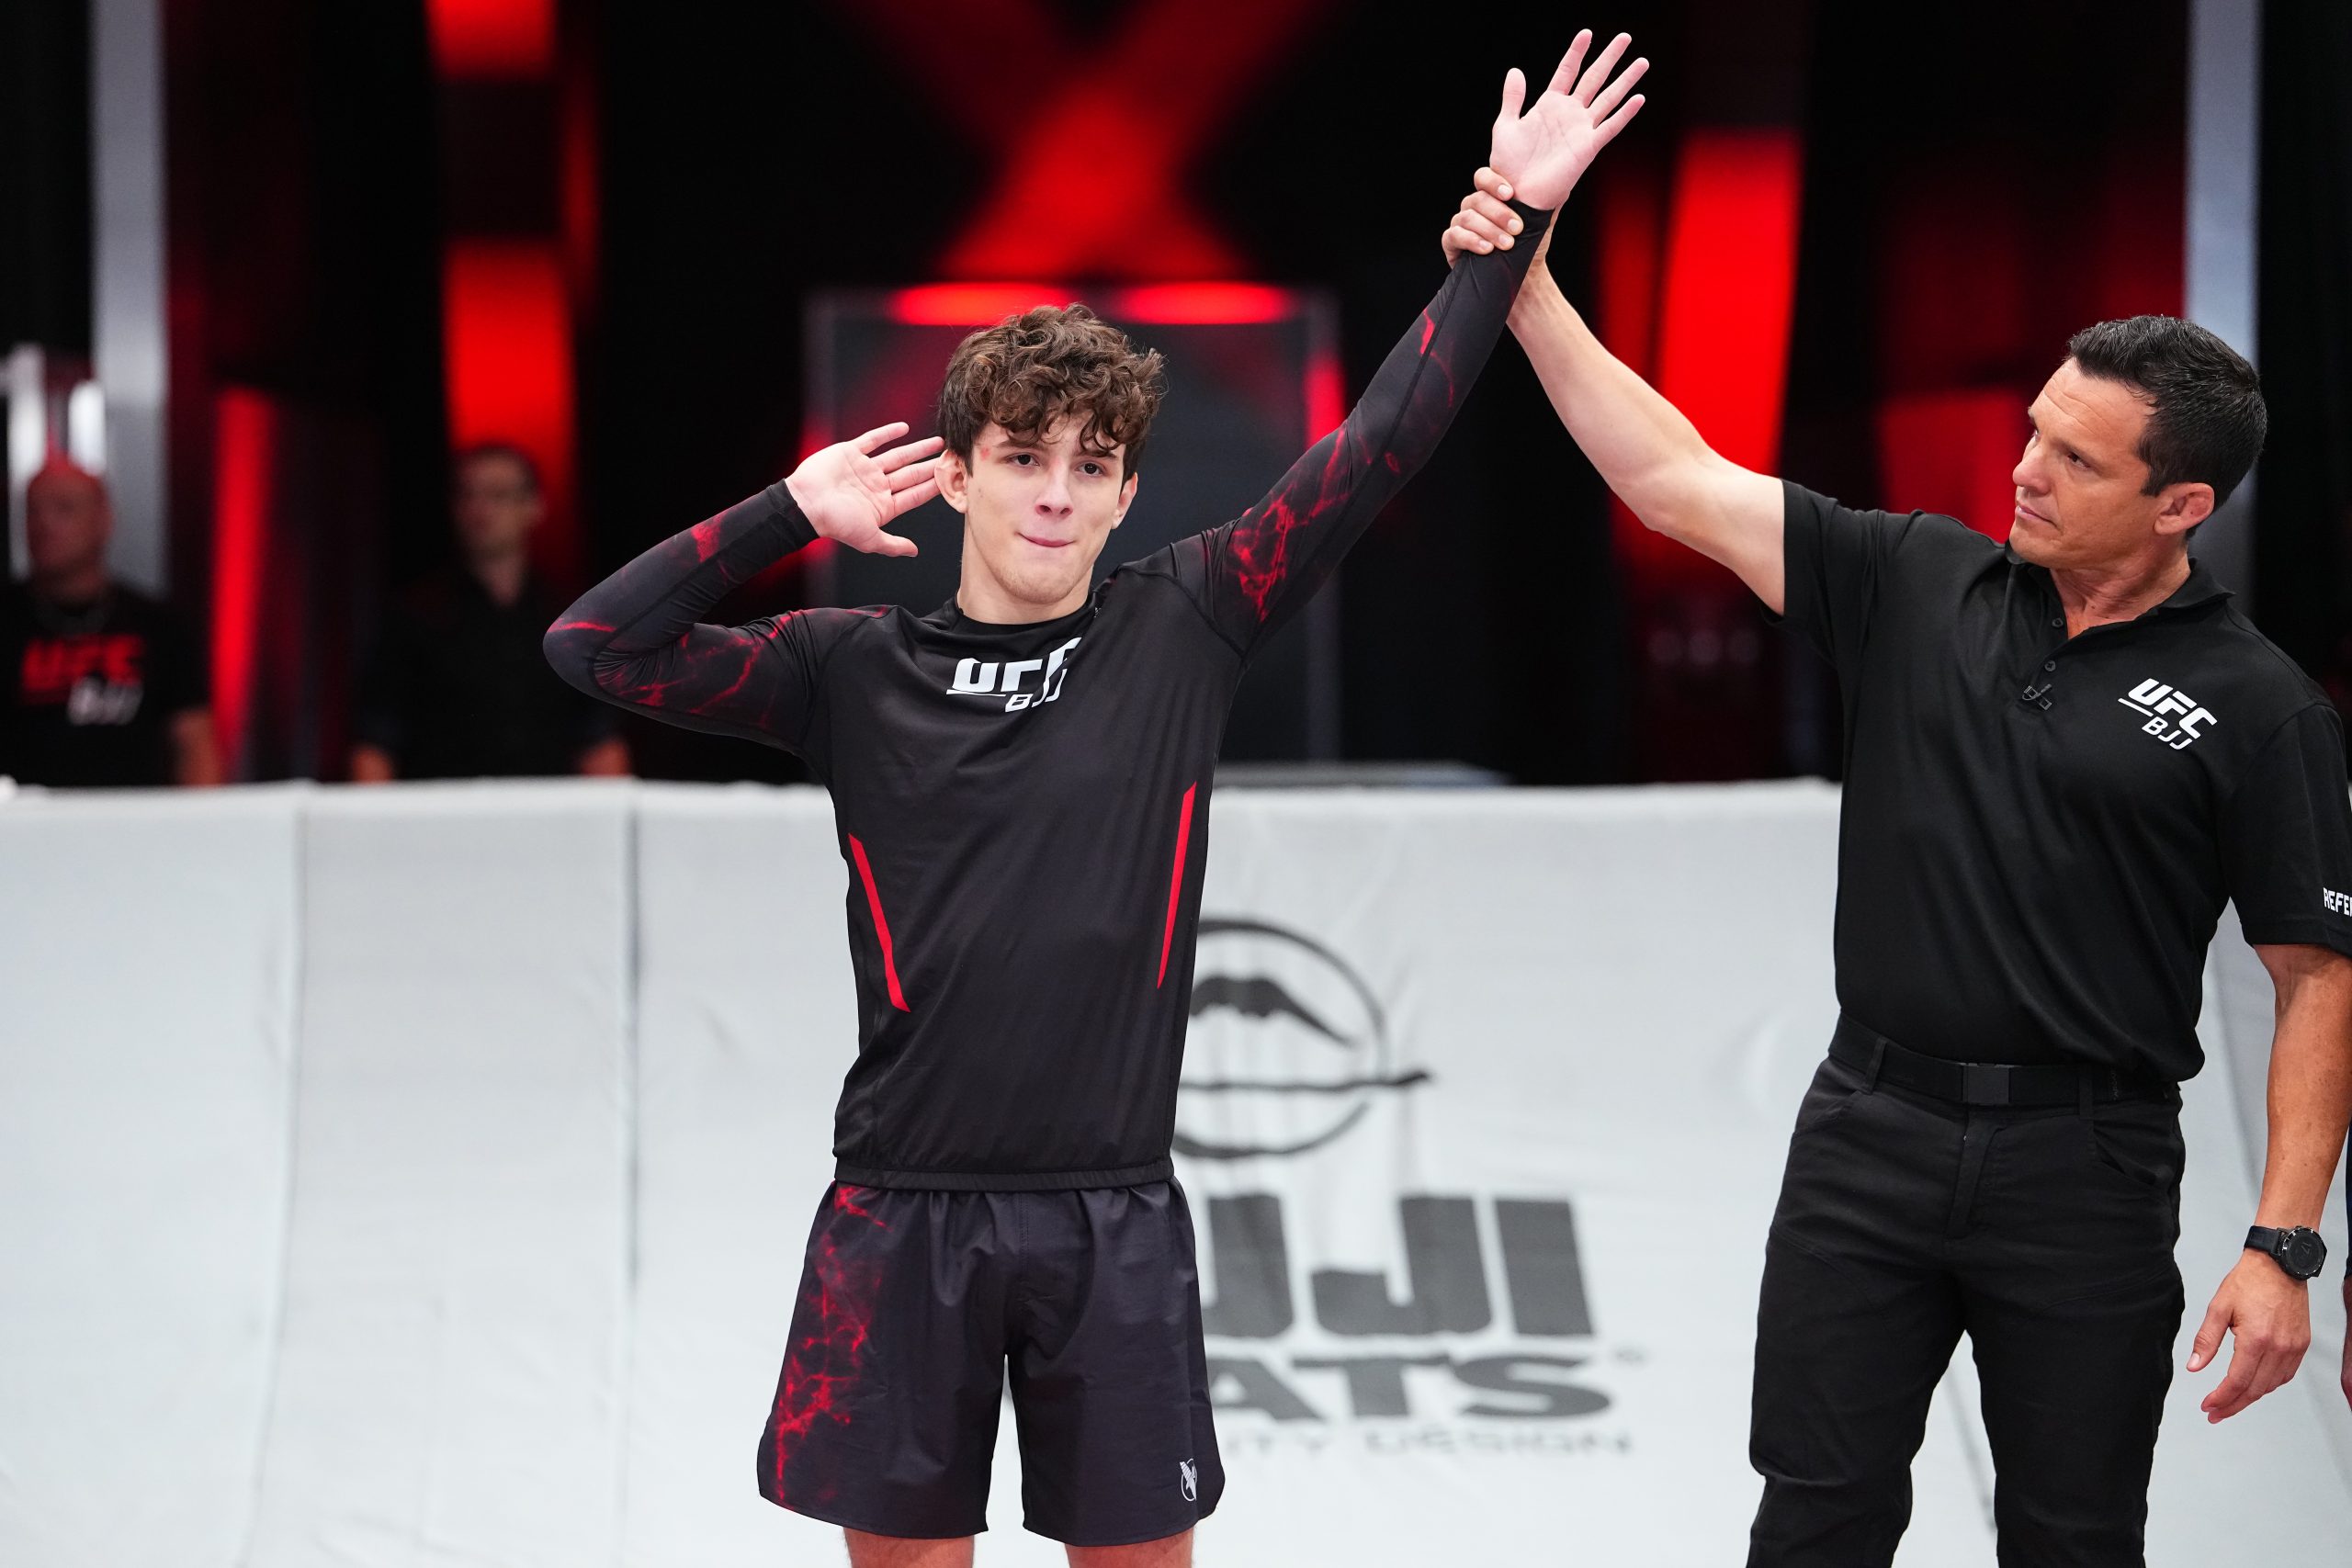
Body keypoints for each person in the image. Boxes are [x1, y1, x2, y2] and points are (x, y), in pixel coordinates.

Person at [546, 35, 1644, 1567]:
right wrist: (783, 512)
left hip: (1109, 1215)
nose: (1056, 489)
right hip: (903, 1209)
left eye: (1091, 463)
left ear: (1130, 492)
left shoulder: (1186, 617)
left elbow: (1385, 439)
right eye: (1023, 457)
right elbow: (593, 643)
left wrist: (1512, 226)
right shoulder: (846, 666)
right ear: (963, 475)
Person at [1443, 162, 2352, 1563]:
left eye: (2075, 459)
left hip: (2088, 1163)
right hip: (1869, 1127)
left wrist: (2284, 1243)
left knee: (2073, 1531)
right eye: (2036, 429)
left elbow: (2316, 979)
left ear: (2183, 504)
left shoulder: (2260, 702)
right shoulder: (1919, 577)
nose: (2025, 466)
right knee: (1817, 1512)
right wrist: (1525, 284)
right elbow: (1670, 476)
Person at [351, 443, 628, 782]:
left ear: (534, 506)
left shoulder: (569, 617)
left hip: (546, 818)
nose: (480, 509)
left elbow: (598, 741)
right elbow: (376, 741)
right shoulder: (414, 615)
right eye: (468, 495)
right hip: (442, 818)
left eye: (498, 495)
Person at [0, 457, 220, 787]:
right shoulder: (7, 618)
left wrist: (204, 828)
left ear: (104, 520)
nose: (44, 523)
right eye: (32, 510)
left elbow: (194, 743)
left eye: (64, 508)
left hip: (134, 826)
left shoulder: (158, 626)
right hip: (19, 827)